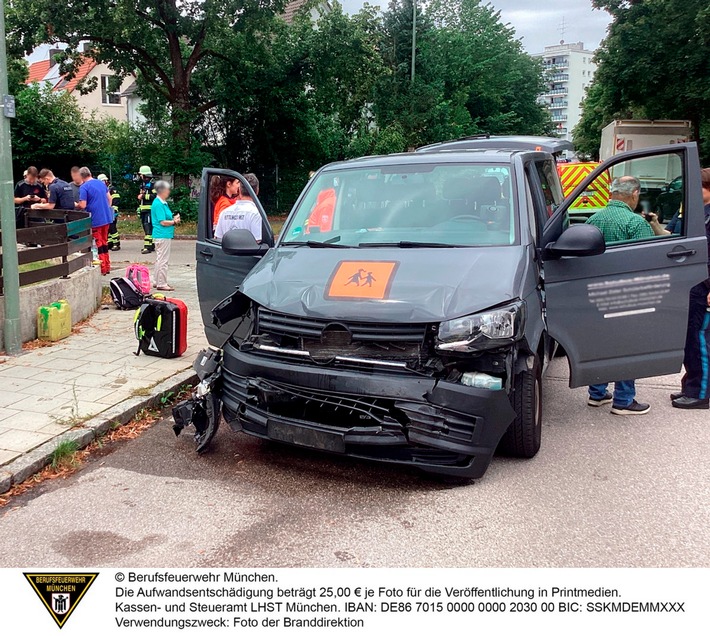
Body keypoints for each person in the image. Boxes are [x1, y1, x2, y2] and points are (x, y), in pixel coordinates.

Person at [585, 176, 653, 415]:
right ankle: (624, 400)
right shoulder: (636, 224)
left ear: (611, 193)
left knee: (599, 343)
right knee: (627, 345)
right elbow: (646, 264)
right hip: (626, 296)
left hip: (596, 295)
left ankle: (597, 392)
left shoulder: (593, 220)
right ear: (634, 194)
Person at [671, 168, 710, 409]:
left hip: (704, 286)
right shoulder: (700, 213)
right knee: (690, 340)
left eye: (700, 187)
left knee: (700, 341)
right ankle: (690, 385)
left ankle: (701, 393)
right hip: (693, 283)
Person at [76, 167, 114, 275]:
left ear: (81, 177)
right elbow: (109, 198)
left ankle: (102, 268)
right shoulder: (101, 183)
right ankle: (107, 266)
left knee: (99, 244)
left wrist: (76, 205)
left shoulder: (84, 187)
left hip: (95, 220)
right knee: (105, 243)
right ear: (90, 173)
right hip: (106, 218)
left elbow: (82, 205)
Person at [150, 180, 180, 291]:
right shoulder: (158, 204)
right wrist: (174, 221)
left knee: (160, 259)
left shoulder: (162, 203)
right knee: (163, 260)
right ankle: (161, 283)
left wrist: (173, 219)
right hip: (162, 234)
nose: (168, 192)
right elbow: (162, 221)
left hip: (163, 235)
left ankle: (156, 281)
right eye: (167, 189)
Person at [214, 176, 262, 242]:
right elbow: (258, 242)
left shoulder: (224, 213)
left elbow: (217, 240)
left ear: (239, 190)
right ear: (257, 191)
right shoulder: (255, 214)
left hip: (226, 252)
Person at [98, 174, 122, 251]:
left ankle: (116, 243)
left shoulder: (112, 189)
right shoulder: (103, 189)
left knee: (112, 227)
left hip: (112, 211)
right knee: (107, 228)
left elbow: (116, 200)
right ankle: (110, 243)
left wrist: (114, 209)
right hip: (106, 211)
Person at [137, 165, 156, 254]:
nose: (140, 177)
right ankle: (151, 245)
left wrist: (144, 196)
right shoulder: (143, 185)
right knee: (145, 227)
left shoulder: (153, 185)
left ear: (145, 176)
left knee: (148, 228)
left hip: (150, 210)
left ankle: (147, 247)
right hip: (144, 210)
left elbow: (155, 196)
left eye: (141, 175)